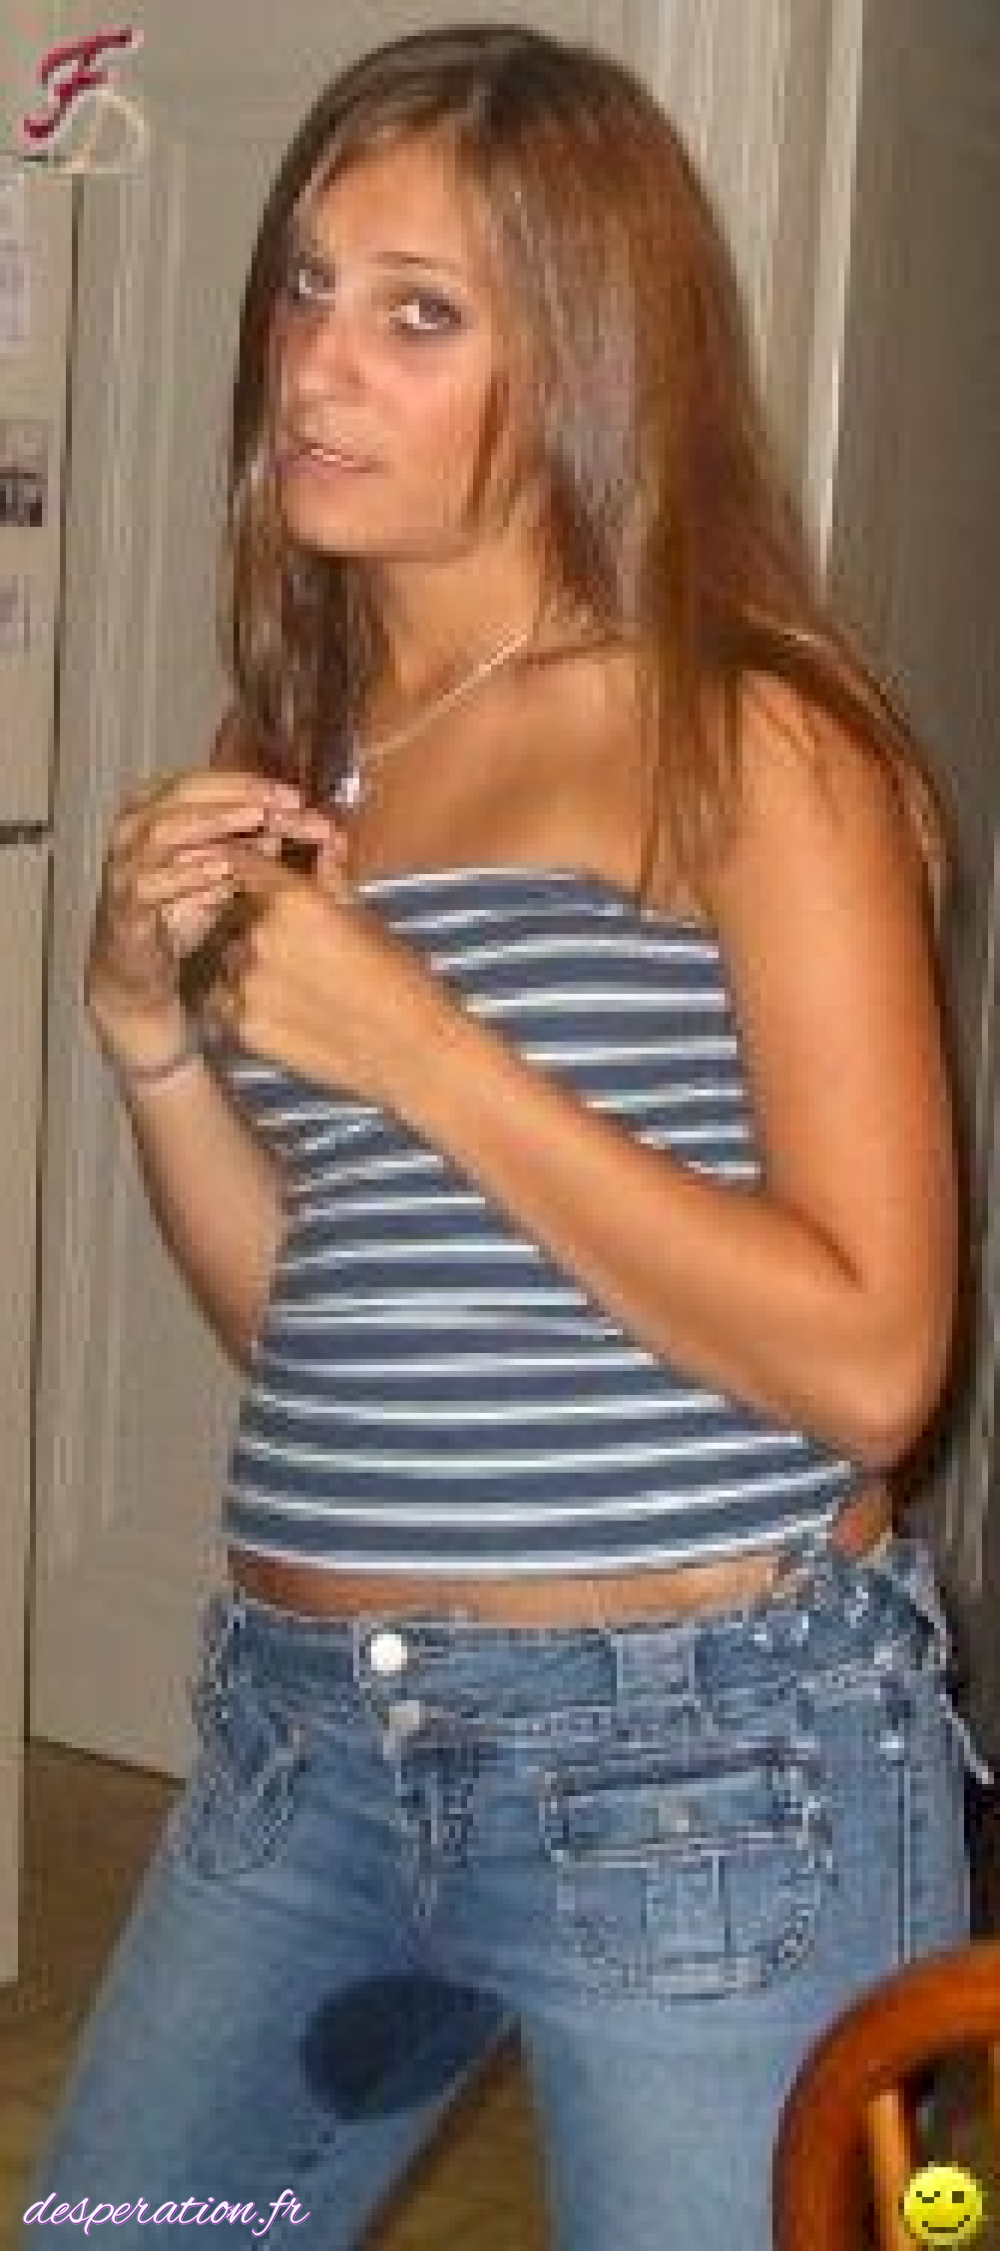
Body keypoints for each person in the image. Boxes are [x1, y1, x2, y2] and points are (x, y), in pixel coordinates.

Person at [29, 23, 979, 2249]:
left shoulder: (751, 737)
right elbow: (323, 1319)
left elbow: (872, 1361)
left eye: (417, 313)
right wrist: (150, 1038)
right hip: (306, 1746)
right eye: (306, 286)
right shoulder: (304, 747)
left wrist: (424, 1048)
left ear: (580, 363)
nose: (314, 366)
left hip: (702, 1753)